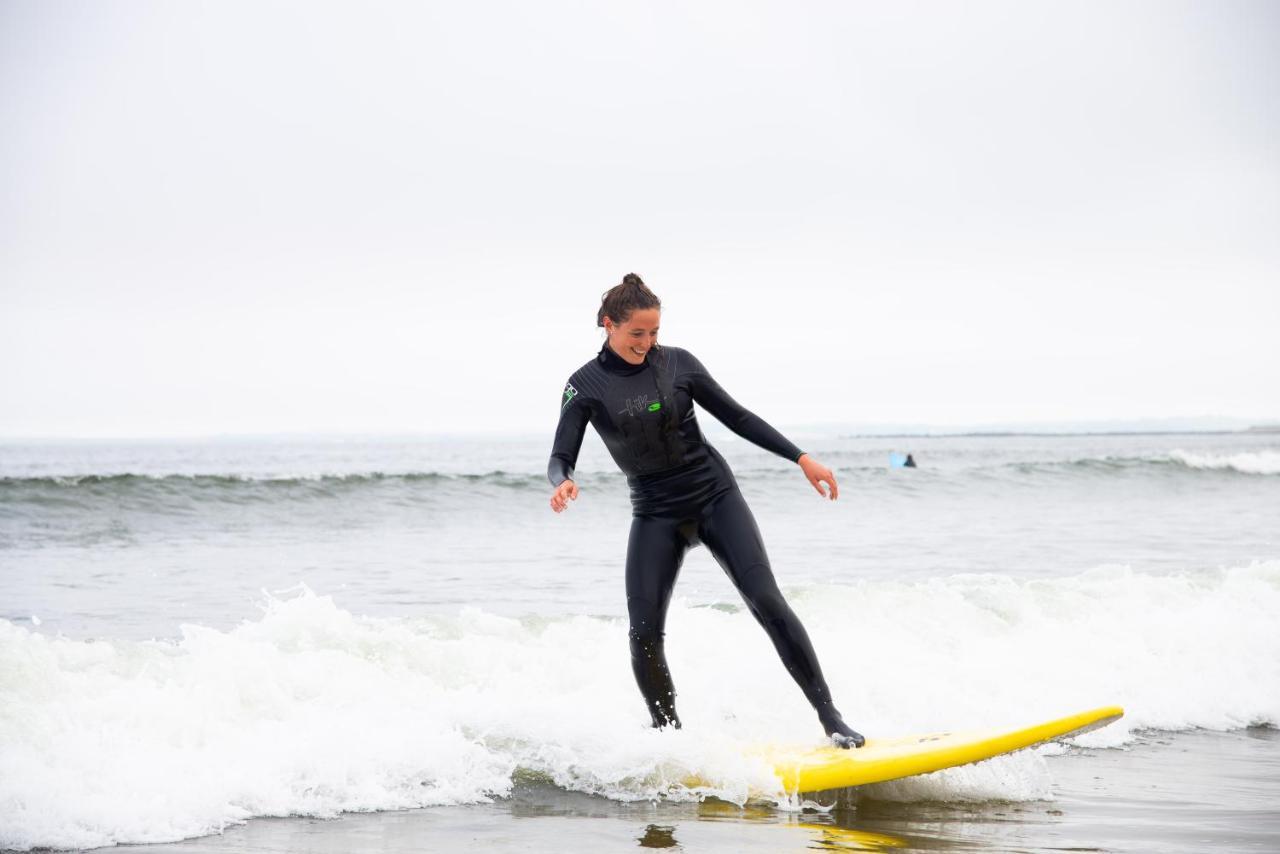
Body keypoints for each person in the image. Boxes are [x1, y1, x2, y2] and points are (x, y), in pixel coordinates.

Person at [547, 273, 865, 748]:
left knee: (766, 599)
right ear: (608, 324)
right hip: (655, 512)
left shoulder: (679, 365)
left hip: (714, 496)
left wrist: (800, 457)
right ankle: (668, 737)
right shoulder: (584, 385)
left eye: (654, 333)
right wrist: (563, 482)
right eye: (637, 333)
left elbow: (737, 416)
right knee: (644, 632)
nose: (647, 343)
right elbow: (560, 454)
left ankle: (831, 718)